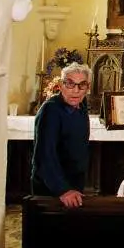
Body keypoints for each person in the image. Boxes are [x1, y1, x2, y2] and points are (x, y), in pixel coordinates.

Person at [31, 62, 92, 208]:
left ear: (88, 87)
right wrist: (63, 190)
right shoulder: (50, 110)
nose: (76, 90)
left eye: (82, 85)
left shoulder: (82, 106)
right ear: (61, 85)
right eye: (70, 84)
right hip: (52, 188)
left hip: (74, 185)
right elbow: (45, 154)